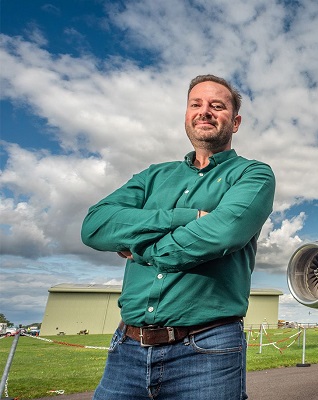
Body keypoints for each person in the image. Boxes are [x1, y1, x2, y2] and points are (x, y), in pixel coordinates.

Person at [81, 74, 275, 399]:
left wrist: (140, 247)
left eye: (217, 105)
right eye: (196, 104)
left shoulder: (253, 174)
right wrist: (186, 217)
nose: (205, 111)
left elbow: (222, 233)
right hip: (127, 347)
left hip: (206, 348)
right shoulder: (153, 176)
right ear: (187, 115)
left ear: (236, 121)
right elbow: (95, 225)